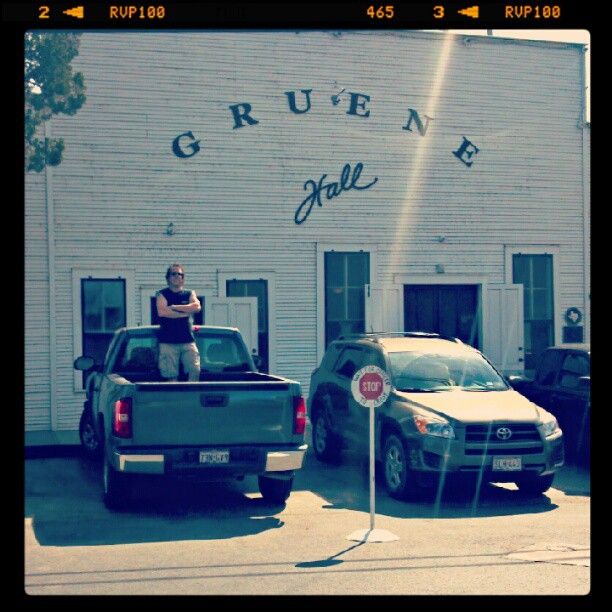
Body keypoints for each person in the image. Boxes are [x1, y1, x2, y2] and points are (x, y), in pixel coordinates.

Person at [156, 263, 201, 381]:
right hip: (168, 342)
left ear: (183, 278)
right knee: (170, 375)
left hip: (188, 341)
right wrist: (186, 312)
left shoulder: (189, 293)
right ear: (168, 278)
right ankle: (173, 393)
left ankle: (191, 392)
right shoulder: (162, 294)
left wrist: (175, 307)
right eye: (173, 274)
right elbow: (163, 312)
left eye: (179, 274)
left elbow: (196, 307)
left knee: (195, 370)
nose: (177, 276)